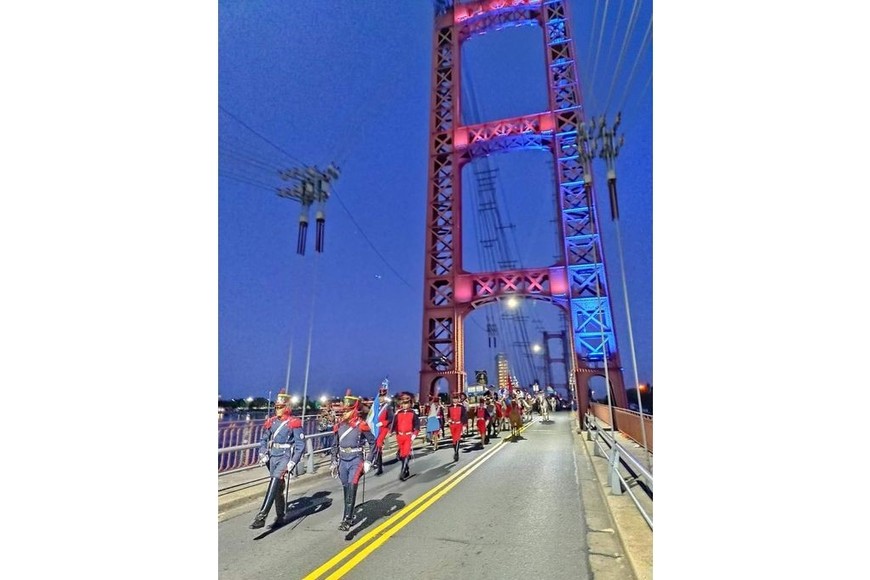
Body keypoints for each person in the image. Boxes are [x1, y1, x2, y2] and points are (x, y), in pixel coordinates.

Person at [250, 392, 305, 529]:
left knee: (274, 480)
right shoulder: (272, 422)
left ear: (286, 407)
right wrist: (262, 452)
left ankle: (262, 516)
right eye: (276, 407)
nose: (277, 409)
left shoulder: (293, 423)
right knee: (278, 487)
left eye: (280, 407)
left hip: (285, 456)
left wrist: (293, 461)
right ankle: (280, 516)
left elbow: (300, 445)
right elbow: (263, 439)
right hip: (272, 456)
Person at [331, 391, 377, 531]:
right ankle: (348, 514)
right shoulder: (339, 426)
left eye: (346, 411)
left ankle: (347, 519)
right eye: (343, 411)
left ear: (353, 411)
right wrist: (333, 461)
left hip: (356, 459)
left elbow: (373, 442)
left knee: (352, 486)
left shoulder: (361, 425)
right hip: (342, 460)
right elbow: (334, 445)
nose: (343, 413)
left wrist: (369, 460)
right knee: (346, 488)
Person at [390, 392, 419, 481]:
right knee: (402, 454)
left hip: (408, 436)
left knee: (406, 453)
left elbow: (417, 426)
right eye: (403, 403)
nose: (405, 405)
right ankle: (406, 468)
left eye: (406, 403)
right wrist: (391, 432)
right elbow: (394, 424)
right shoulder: (398, 413)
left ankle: (402, 472)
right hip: (399, 436)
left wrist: (414, 435)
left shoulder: (413, 413)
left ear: (410, 404)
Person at [369, 385, 394, 476]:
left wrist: (383, 423)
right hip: (375, 428)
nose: (381, 398)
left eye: (383, 397)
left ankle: (379, 466)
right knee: (375, 445)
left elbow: (391, 419)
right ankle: (376, 460)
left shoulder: (388, 407)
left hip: (383, 428)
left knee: (379, 444)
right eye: (380, 397)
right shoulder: (375, 407)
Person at [445, 391, 468, 462]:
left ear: (458, 399)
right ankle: (455, 450)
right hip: (452, 425)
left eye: (456, 398)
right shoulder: (450, 407)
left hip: (459, 424)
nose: (455, 400)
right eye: (454, 398)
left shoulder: (462, 407)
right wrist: (448, 420)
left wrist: (464, 426)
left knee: (457, 438)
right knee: (454, 441)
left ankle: (456, 453)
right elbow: (448, 416)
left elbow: (464, 417)